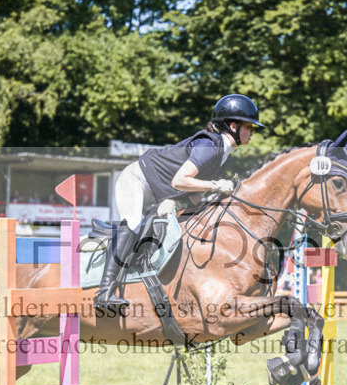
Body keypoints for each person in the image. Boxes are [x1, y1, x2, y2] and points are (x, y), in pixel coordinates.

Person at [94, 94, 266, 314]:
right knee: (134, 223)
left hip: (157, 191)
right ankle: (103, 293)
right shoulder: (209, 145)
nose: (252, 131)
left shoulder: (224, 155)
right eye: (250, 126)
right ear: (233, 126)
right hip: (136, 180)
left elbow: (194, 196)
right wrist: (215, 185)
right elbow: (180, 181)